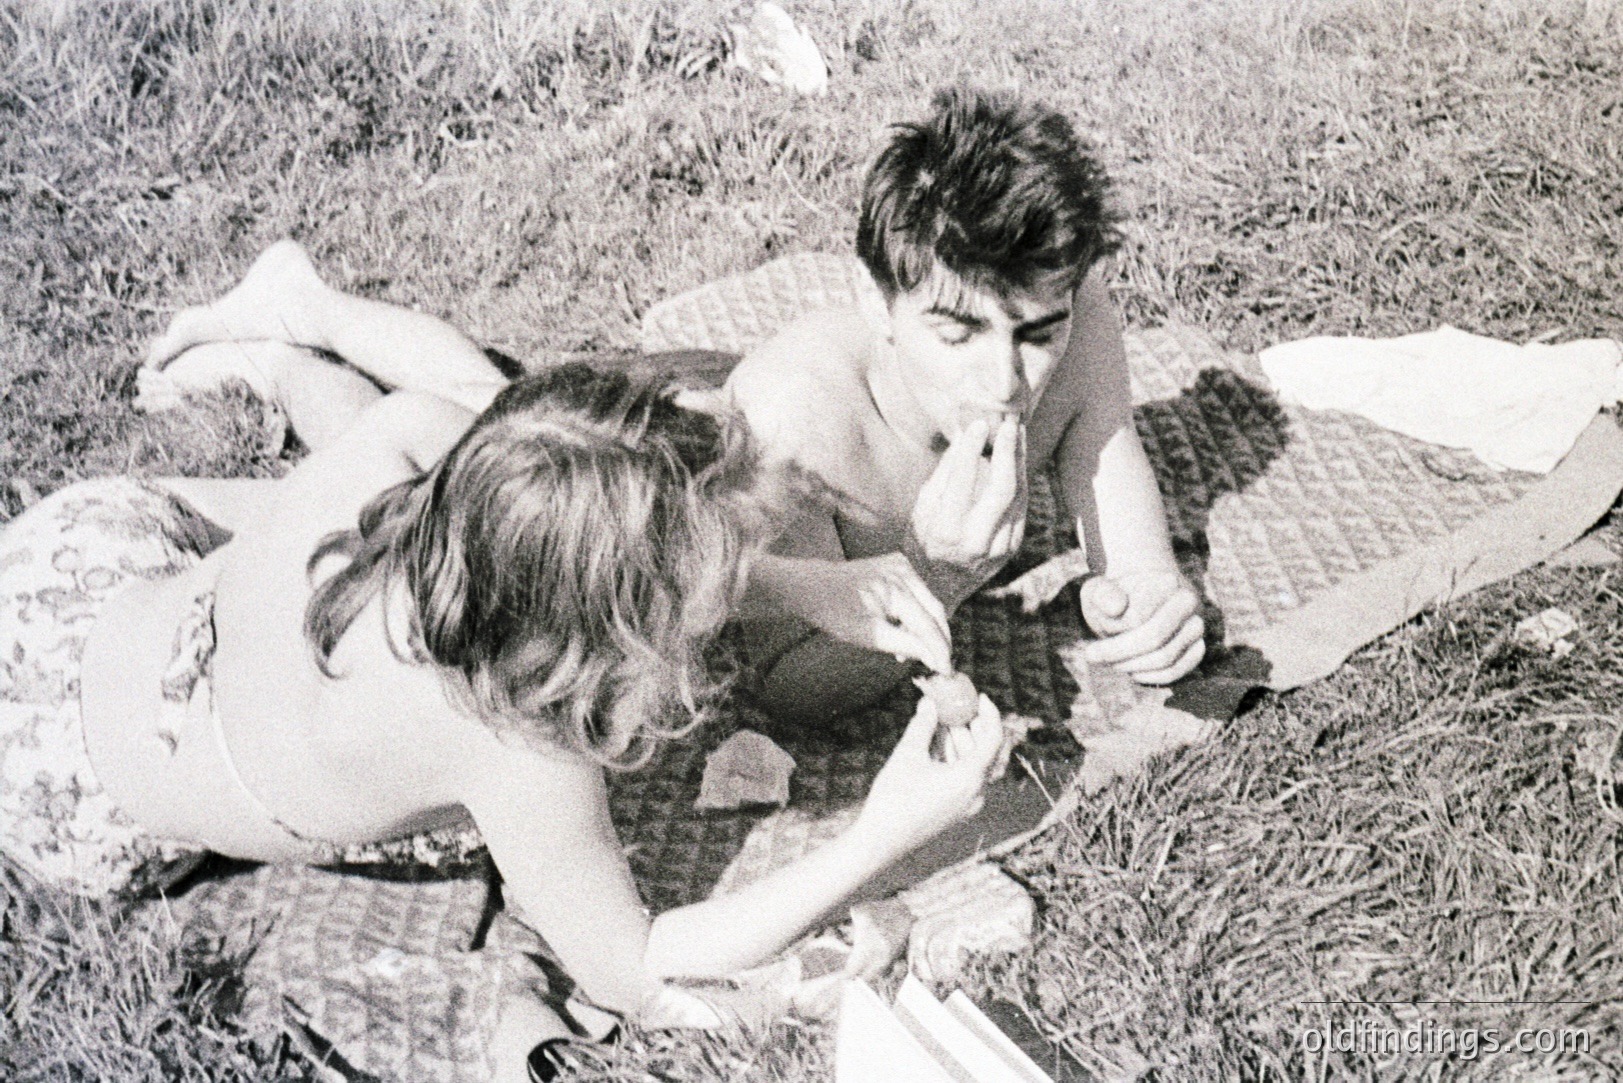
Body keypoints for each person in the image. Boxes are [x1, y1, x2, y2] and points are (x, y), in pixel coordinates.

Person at [0, 358, 1007, 1075]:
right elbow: (632, 970)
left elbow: (579, 547)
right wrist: (887, 829)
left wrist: (800, 590)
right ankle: (274, 348)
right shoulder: (515, 742)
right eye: (712, 590)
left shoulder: (423, 445)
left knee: (327, 489)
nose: (744, 580)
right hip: (57, 781)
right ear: (601, 642)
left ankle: (275, 357)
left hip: (77, 561)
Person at [137, 86, 1206, 725]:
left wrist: (1151, 598)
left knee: (478, 397)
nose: (1009, 380)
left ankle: (299, 305)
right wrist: (946, 573)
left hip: (712, 396)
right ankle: (292, 339)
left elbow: (1111, 485)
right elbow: (784, 691)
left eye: (1035, 331)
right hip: (674, 439)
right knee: (446, 455)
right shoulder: (793, 426)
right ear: (879, 301)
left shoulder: (1063, 311)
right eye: (959, 332)